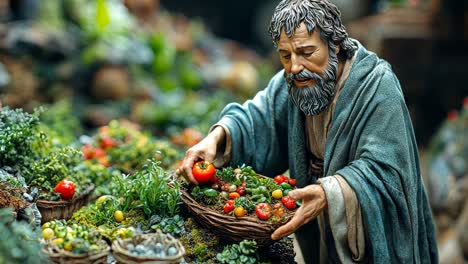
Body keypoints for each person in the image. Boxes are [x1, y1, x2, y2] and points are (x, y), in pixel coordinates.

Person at [176, 0, 438, 263]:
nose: (295, 67)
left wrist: (330, 193)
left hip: (367, 233)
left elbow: (387, 170)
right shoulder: (292, 83)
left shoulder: (377, 87)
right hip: (318, 229)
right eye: (286, 55)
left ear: (334, 45)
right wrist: (217, 137)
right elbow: (258, 117)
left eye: (307, 52)